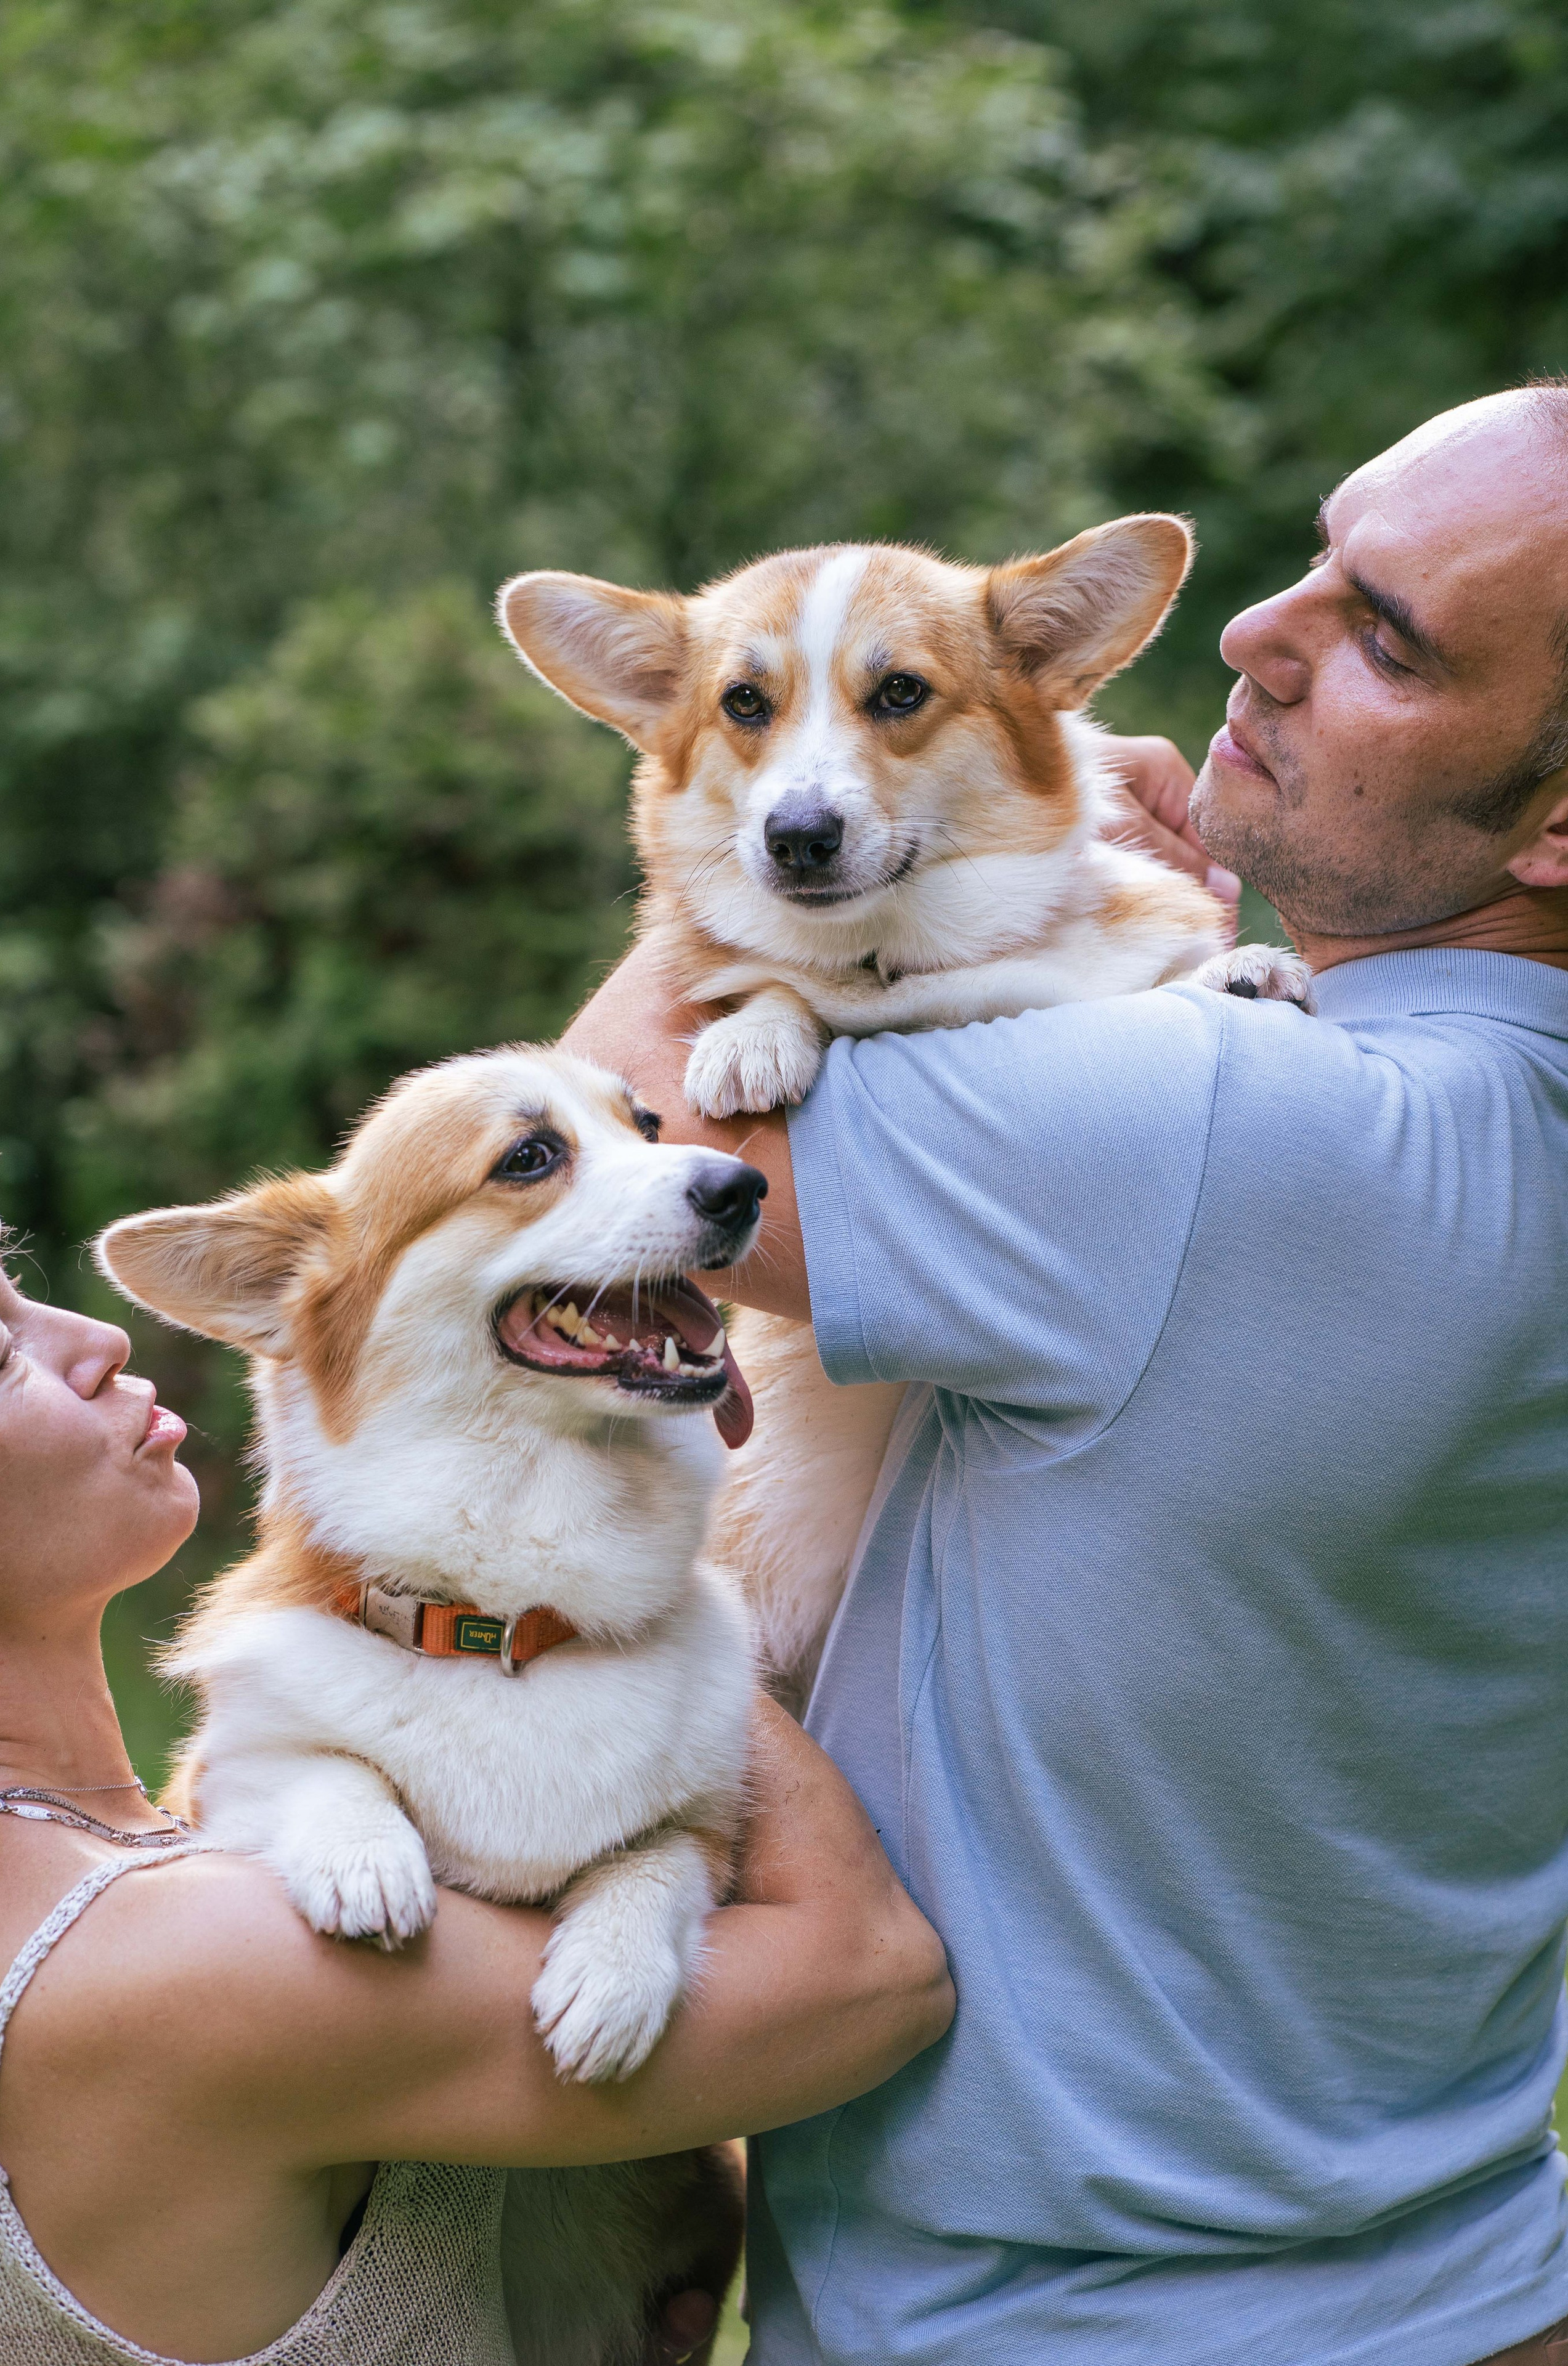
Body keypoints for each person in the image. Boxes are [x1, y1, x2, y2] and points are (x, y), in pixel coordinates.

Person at [563, 385, 1568, 2365]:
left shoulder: (1214, 1133)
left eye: (1384, 637)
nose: (1264, 636)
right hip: (1470, 2280)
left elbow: (575, 1176)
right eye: (1314, 557)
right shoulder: (1452, 1121)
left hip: (1064, 2328)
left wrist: (737, 781)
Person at [0, 1230, 953, 2363]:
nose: (98, 1339)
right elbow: (873, 1973)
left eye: (26, 1297)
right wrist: (602, 1549)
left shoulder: (120, 1863)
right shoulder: (178, 1960)